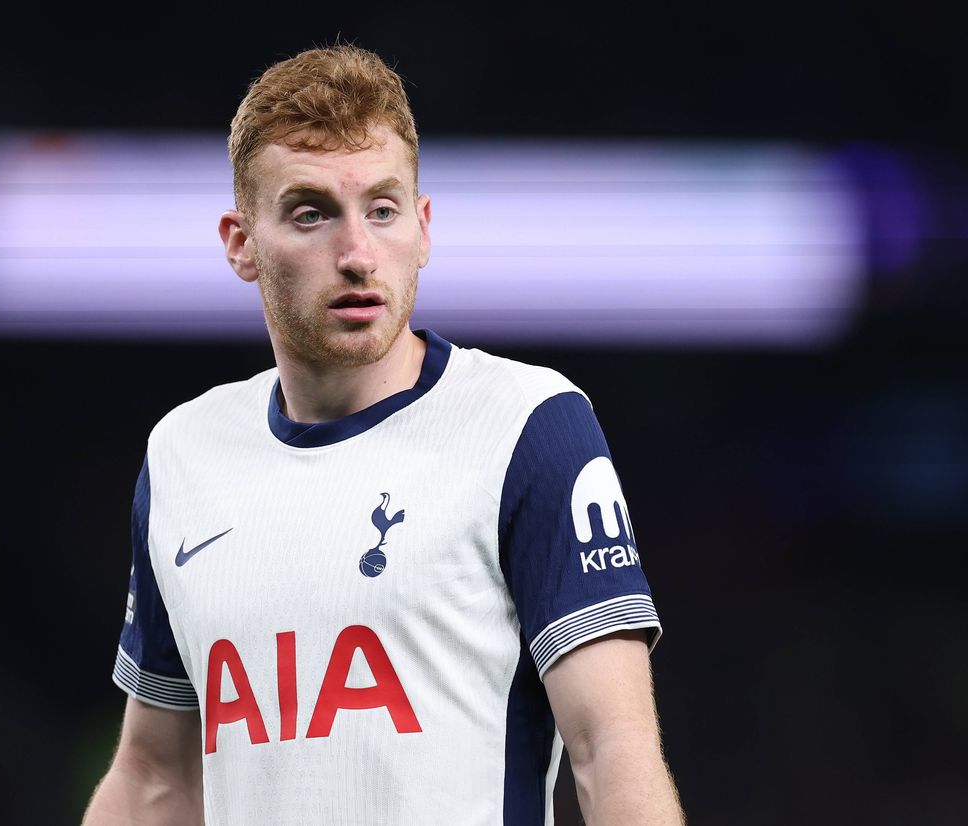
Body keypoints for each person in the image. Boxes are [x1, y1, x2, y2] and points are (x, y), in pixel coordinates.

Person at [82, 44, 685, 826]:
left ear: (424, 229)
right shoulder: (183, 454)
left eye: (383, 209)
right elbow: (155, 777)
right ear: (240, 242)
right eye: (311, 213)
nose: (358, 255)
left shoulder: (526, 425)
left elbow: (613, 752)